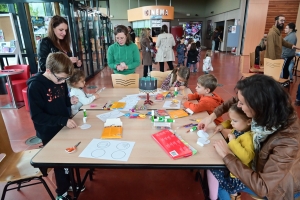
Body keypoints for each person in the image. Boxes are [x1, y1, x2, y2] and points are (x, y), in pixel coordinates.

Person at [198, 74, 300, 200]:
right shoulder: (272, 108)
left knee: (219, 178)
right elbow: (233, 101)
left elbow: (263, 187)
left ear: (257, 106)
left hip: (276, 189)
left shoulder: (287, 141)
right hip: (258, 169)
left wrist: (227, 155)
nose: (238, 105)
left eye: (242, 103)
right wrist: (211, 117)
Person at [27, 52, 78, 200]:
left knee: (68, 158)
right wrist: (62, 120)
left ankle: (70, 184)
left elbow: (61, 99)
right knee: (59, 163)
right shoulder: (36, 86)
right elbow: (37, 116)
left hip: (62, 126)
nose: (63, 82)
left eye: (66, 79)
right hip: (49, 130)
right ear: (49, 71)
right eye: (61, 78)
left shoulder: (59, 80)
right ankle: (61, 192)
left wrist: (70, 101)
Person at [207, 103, 254, 200]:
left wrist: (233, 141)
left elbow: (246, 157)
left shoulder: (248, 137)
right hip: (232, 165)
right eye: (232, 120)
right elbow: (230, 122)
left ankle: (229, 193)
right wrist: (222, 125)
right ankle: (233, 194)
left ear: (249, 121)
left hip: (236, 176)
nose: (232, 123)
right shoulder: (241, 127)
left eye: (234, 121)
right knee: (211, 166)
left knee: (219, 183)